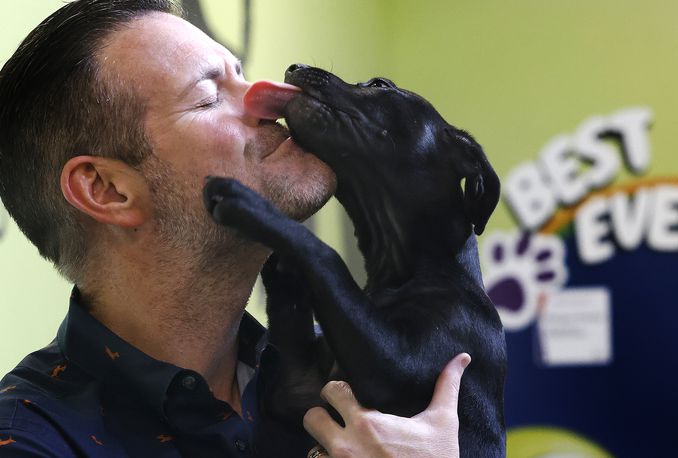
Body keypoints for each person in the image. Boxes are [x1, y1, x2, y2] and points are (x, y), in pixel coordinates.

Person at [0, 0, 469, 456]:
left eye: (242, 74)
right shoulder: (31, 440)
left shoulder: (355, 379)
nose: (275, 99)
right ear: (106, 189)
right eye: (208, 96)